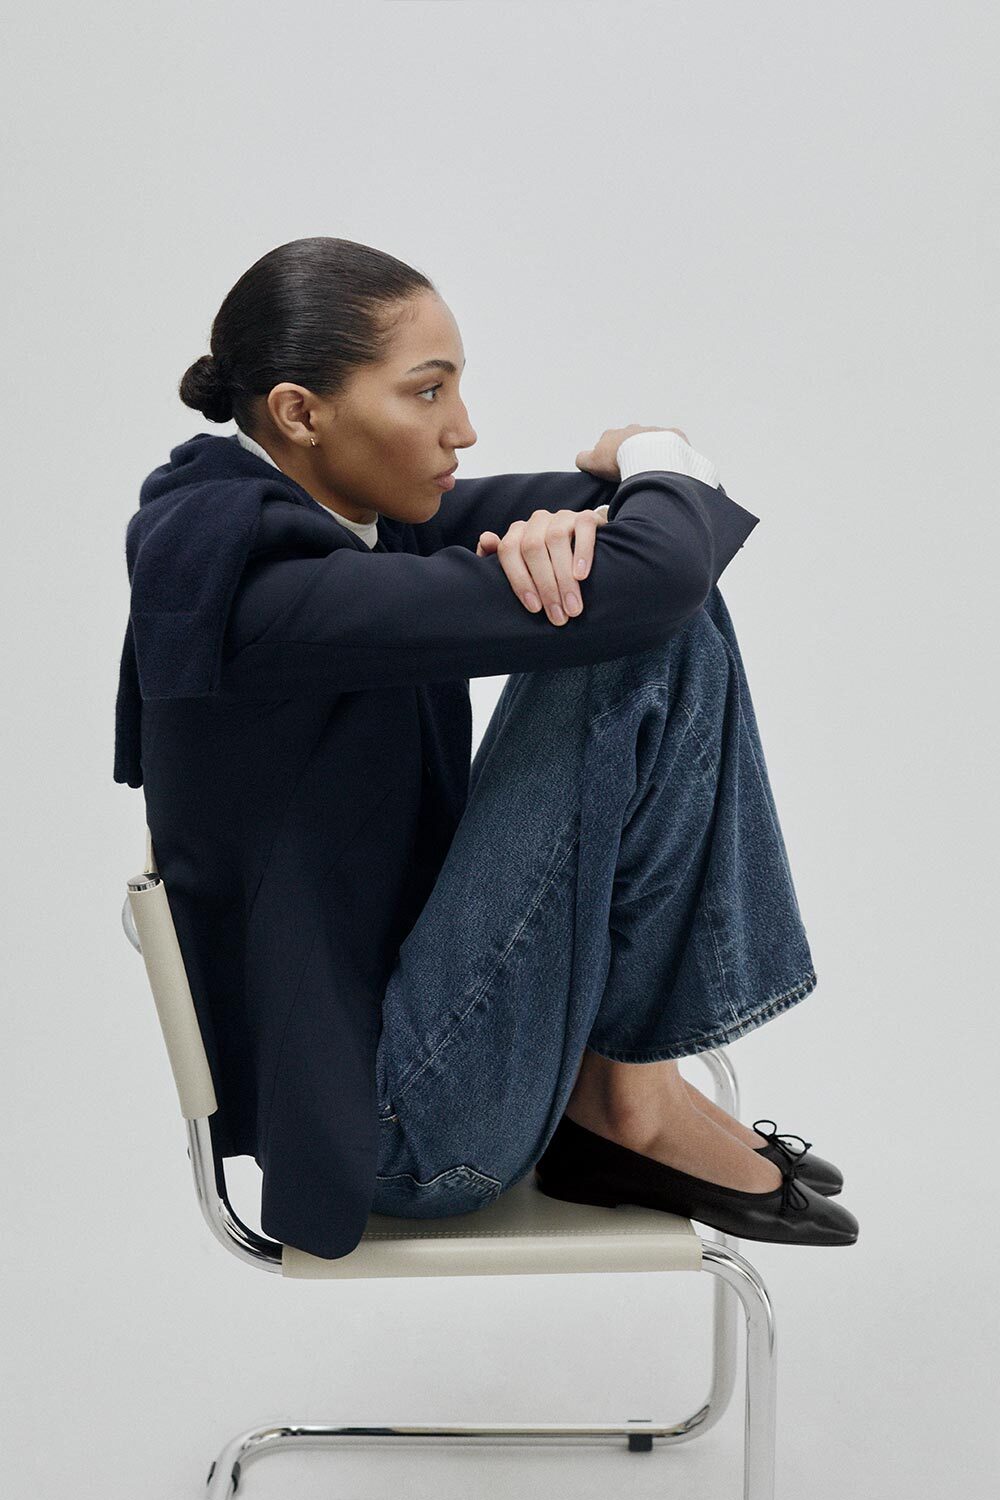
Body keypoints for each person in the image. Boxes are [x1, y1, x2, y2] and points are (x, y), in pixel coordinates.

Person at [115, 235, 858, 1258]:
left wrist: (614, 500)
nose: (462, 429)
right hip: (404, 1132)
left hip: (433, 1040)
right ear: (299, 412)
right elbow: (656, 571)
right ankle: (630, 1103)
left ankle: (625, 1093)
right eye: (426, 394)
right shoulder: (264, 592)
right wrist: (654, 457)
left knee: (645, 608)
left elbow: (655, 542)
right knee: (640, 633)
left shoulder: (352, 517)